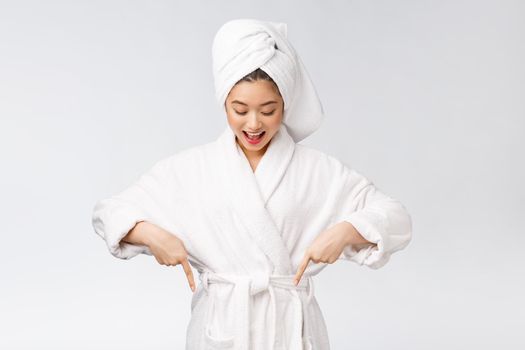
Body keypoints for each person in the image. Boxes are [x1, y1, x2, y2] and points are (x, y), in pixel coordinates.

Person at [92, 18, 412, 350]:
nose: (254, 124)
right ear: (224, 103)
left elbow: (396, 218)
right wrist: (151, 234)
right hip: (222, 327)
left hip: (293, 331)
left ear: (285, 105)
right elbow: (109, 213)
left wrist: (347, 231)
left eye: (268, 110)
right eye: (240, 109)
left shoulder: (318, 170)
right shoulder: (193, 168)